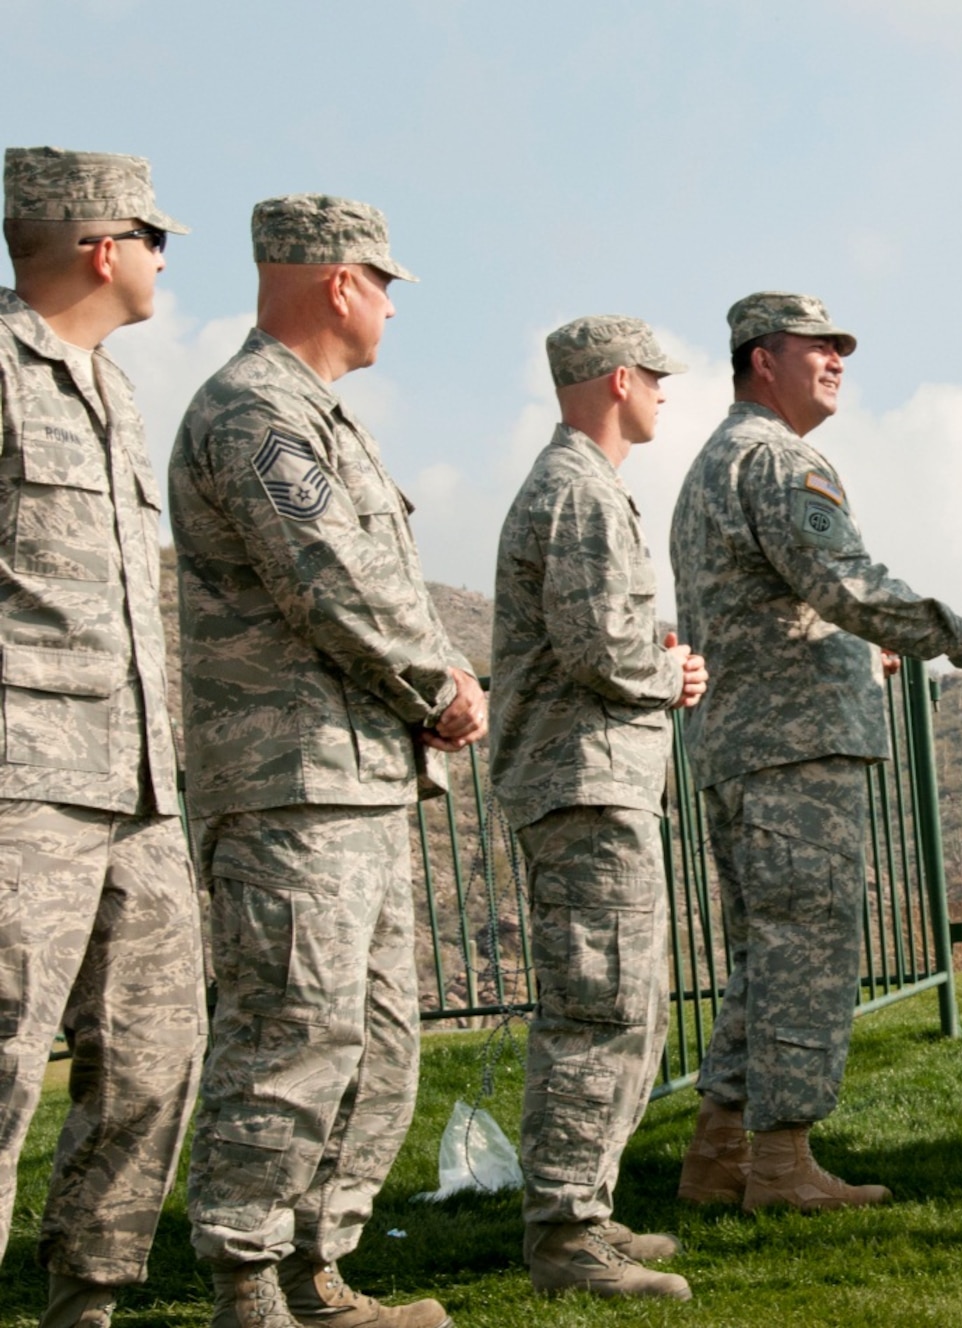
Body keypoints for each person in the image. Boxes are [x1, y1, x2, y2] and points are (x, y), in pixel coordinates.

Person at [171, 195, 481, 1328]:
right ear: (338, 281)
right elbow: (326, 575)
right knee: (293, 1028)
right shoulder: (255, 411)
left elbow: (369, 576)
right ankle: (249, 1286)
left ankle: (318, 1273)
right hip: (289, 778)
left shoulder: (321, 418)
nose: (394, 305)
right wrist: (441, 683)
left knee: (374, 1039)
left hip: (354, 778)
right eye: (384, 282)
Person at [669, 291, 962, 1213]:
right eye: (818, 347)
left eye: (843, 349)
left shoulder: (714, 463)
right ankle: (784, 1168)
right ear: (763, 359)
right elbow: (846, 583)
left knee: (766, 955)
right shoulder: (780, 461)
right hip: (794, 748)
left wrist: (850, 642)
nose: (837, 361)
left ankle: (718, 1155)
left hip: (743, 743)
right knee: (808, 951)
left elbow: (777, 603)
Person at [0, 146, 204, 1328]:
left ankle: (90, 1298)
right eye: (153, 235)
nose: (164, 258)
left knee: (154, 1046)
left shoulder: (114, 388)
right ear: (99, 245)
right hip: (25, 775)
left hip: (136, 781)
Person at [488, 315, 708, 1300]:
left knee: (627, 1001)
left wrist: (655, 662)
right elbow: (596, 646)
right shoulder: (577, 489)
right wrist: (665, 666)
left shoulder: (583, 485)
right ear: (617, 380)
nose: (664, 391)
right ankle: (565, 1236)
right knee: (597, 1004)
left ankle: (587, 1208)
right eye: (654, 377)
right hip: (580, 778)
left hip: (597, 775)